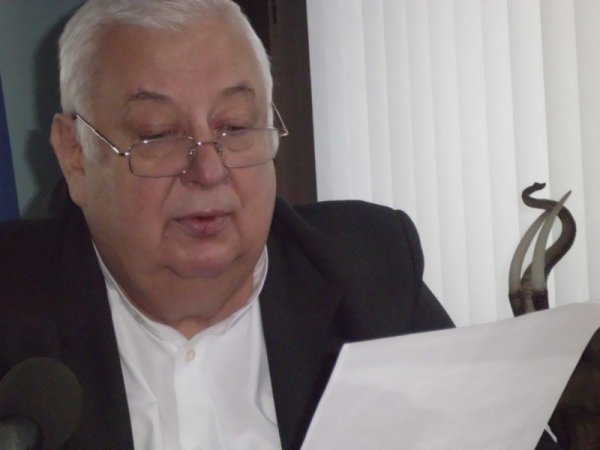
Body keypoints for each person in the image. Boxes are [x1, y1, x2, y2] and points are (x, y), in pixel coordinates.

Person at [0, 0, 561, 448]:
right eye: (158, 133)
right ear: (75, 156)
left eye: (236, 126)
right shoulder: (13, 303)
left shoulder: (368, 271)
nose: (209, 169)